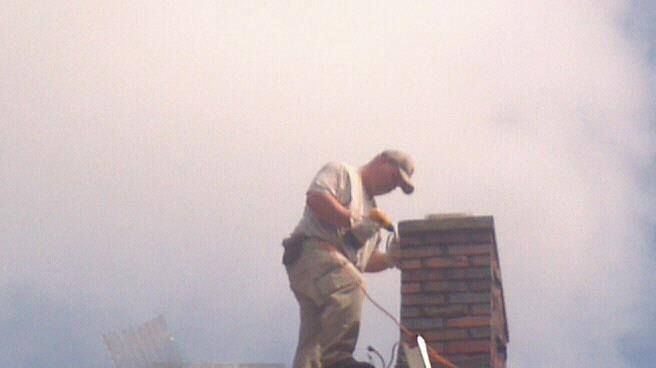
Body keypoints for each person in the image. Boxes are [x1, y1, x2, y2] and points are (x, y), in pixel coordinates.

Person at [282, 150, 415, 368]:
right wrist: (352, 220)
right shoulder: (342, 173)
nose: (392, 187)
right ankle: (337, 360)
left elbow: (364, 262)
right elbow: (316, 198)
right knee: (353, 285)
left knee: (315, 337)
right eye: (394, 178)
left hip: (328, 268)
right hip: (312, 253)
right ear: (382, 160)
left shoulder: (373, 214)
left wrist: (390, 259)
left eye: (398, 186)